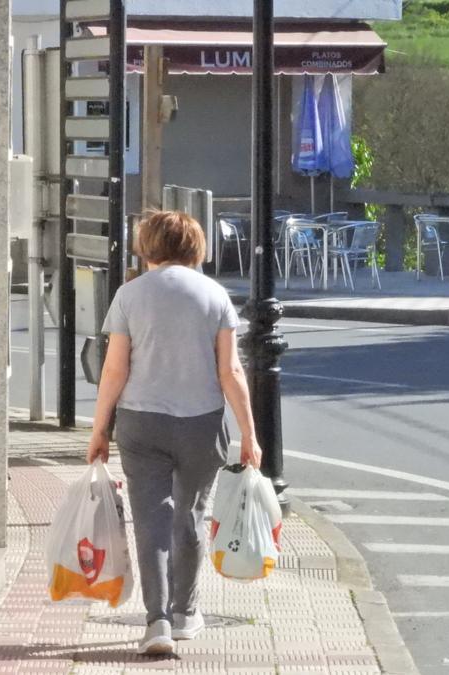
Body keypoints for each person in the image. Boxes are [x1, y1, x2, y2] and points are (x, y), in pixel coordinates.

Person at [85, 210, 262, 655]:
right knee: (190, 515)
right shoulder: (215, 295)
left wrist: (100, 427)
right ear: (195, 247)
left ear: (148, 246)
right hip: (201, 422)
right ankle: (186, 612)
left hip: (141, 421)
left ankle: (157, 621)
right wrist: (249, 433)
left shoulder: (129, 295)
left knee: (151, 520)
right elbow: (231, 371)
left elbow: (115, 368)